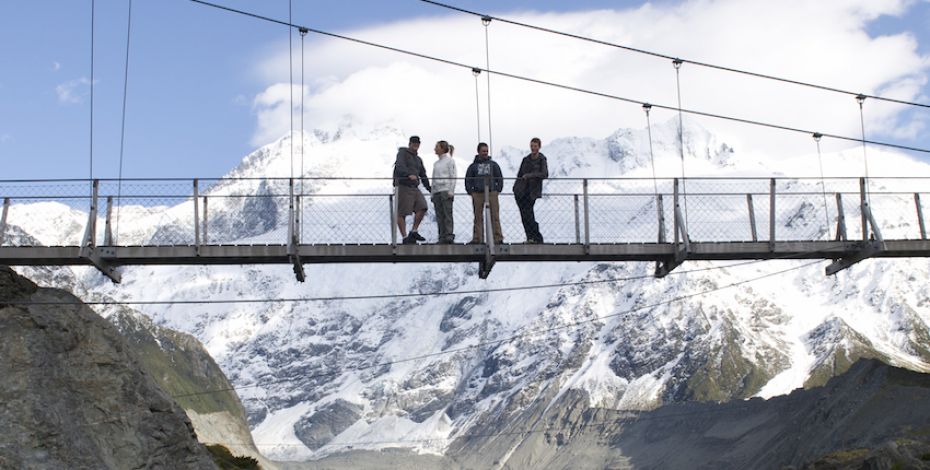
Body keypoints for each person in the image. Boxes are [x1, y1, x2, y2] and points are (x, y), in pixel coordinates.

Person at [393, 135, 431, 244]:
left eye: (417, 143)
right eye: (414, 143)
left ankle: (413, 231)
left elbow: (423, 174)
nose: (415, 145)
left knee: (422, 206)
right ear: (409, 144)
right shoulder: (402, 153)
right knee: (402, 212)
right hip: (404, 185)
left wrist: (429, 188)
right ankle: (405, 237)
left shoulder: (418, 159)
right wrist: (408, 174)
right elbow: (400, 166)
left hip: (414, 186)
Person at [465, 142, 504, 244]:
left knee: (494, 216)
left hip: (491, 192)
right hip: (478, 193)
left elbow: (499, 177)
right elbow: (468, 179)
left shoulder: (493, 165)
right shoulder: (473, 166)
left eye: (486, 151)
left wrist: (497, 190)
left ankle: (497, 238)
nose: (485, 153)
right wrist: (471, 191)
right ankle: (478, 238)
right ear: (478, 152)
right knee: (478, 217)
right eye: (483, 151)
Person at [514, 137, 549, 243]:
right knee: (524, 215)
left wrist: (530, 175)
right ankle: (530, 237)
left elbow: (545, 174)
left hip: (532, 191)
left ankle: (536, 236)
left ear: (539, 147)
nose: (533, 148)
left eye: (535, 146)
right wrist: (515, 188)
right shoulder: (526, 159)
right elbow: (520, 174)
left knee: (528, 214)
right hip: (521, 190)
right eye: (532, 146)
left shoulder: (542, 159)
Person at [431, 140, 457, 244]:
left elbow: (453, 176)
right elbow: (433, 178)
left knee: (447, 214)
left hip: (445, 189)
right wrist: (432, 193)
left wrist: (451, 191)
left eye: (437, 147)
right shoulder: (436, 163)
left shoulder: (450, 161)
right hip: (437, 190)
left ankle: (449, 235)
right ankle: (441, 236)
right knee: (439, 215)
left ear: (442, 148)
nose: (435, 149)